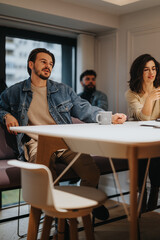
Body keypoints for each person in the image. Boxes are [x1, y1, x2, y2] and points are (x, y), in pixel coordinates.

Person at [0, 48, 126, 221]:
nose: (48, 66)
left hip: (65, 142)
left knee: (91, 173)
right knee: (48, 177)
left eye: (51, 63)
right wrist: (6, 115)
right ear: (31, 64)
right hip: (36, 143)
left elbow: (84, 109)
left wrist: (110, 117)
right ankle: (59, 219)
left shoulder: (63, 90)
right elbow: (0, 106)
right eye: (43, 61)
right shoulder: (14, 91)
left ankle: (87, 204)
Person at [125, 53, 160, 212]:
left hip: (155, 135)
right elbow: (143, 118)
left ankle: (154, 189)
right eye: (146, 69)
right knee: (142, 154)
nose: (151, 73)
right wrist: (150, 99)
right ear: (139, 72)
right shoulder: (131, 93)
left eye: (153, 69)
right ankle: (142, 191)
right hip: (137, 136)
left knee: (156, 154)